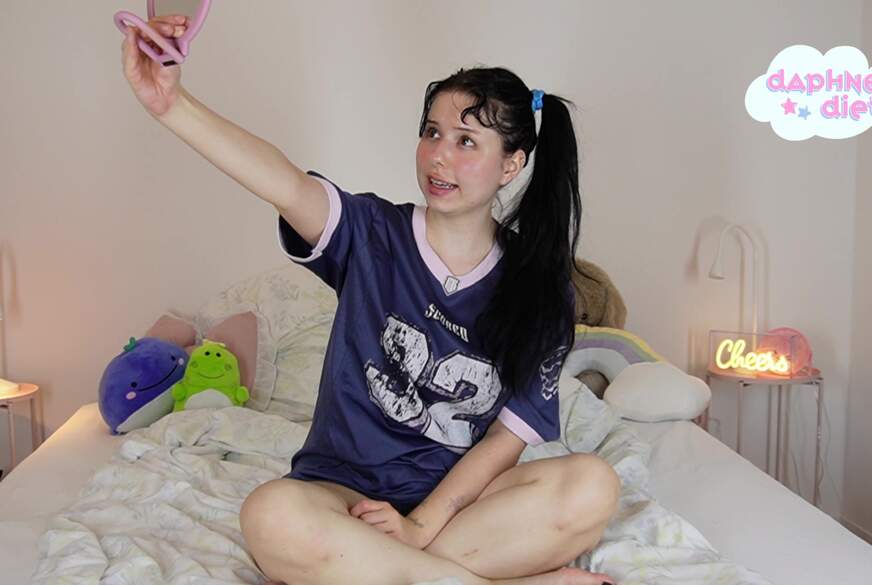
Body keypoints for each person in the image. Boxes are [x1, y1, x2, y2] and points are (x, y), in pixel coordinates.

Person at [121, 14, 620, 585]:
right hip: (342, 496)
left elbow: (508, 437)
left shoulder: (544, 292)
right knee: (271, 514)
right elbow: (282, 181)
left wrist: (419, 527)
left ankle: (374, 571)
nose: (438, 156)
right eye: (431, 133)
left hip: (456, 510)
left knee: (592, 486)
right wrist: (173, 105)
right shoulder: (370, 232)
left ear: (512, 163)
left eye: (465, 141)